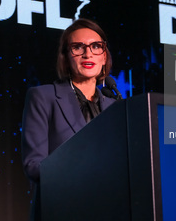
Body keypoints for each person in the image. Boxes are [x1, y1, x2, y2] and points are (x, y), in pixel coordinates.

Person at [21, 18, 115, 220]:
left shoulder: (115, 105)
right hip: (61, 209)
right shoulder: (43, 97)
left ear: (104, 57)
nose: (88, 53)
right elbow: (34, 165)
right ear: (65, 57)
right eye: (78, 47)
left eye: (96, 46)